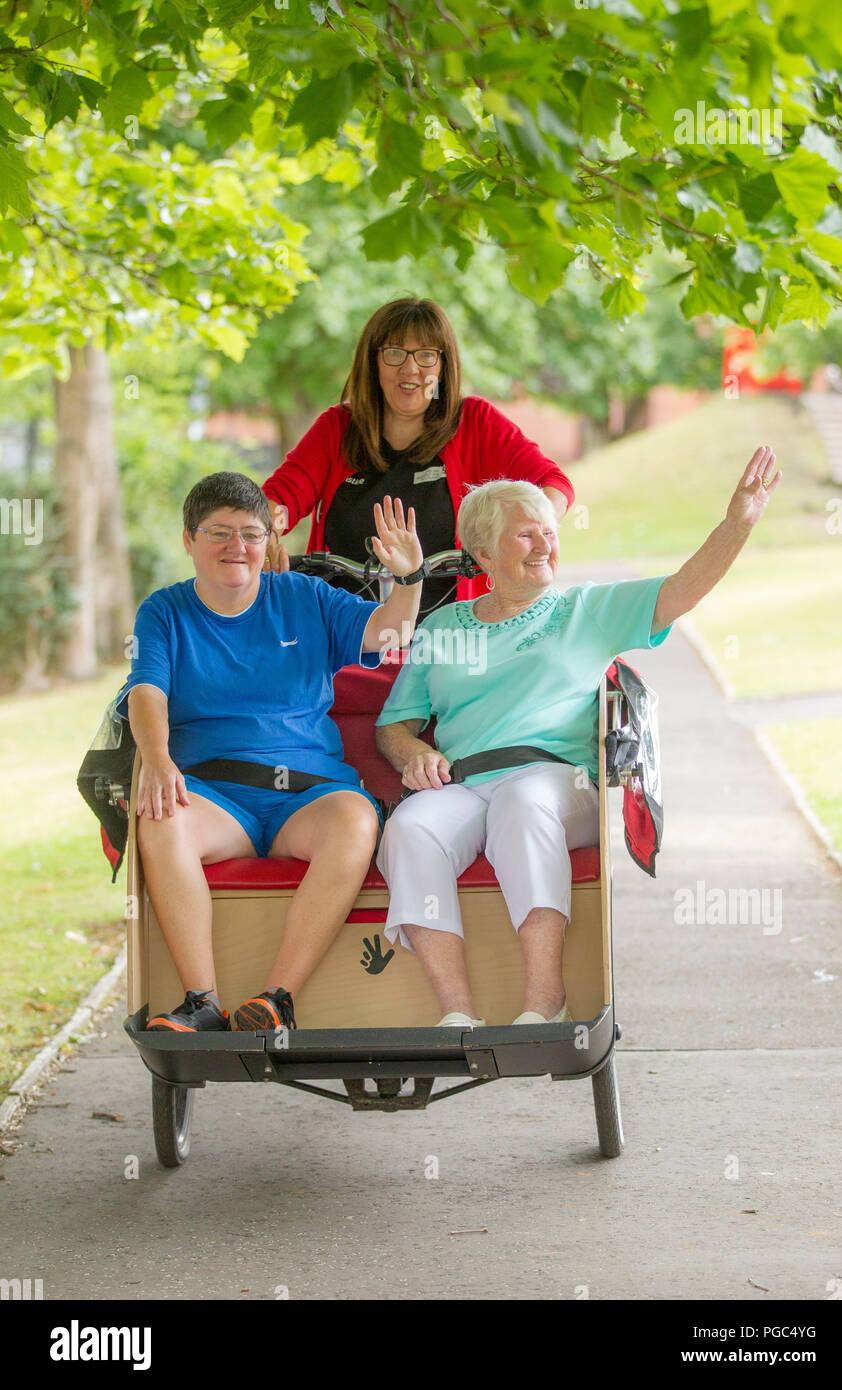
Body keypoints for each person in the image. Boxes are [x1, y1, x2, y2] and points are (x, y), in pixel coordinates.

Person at [375, 448, 781, 1027]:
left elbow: (682, 589)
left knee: (522, 802)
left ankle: (544, 1004)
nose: (544, 544)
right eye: (524, 535)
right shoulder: (443, 627)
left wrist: (736, 523)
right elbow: (395, 723)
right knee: (410, 827)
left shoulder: (583, 609)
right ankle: (456, 1015)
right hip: (465, 785)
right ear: (483, 551)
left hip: (560, 782)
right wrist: (415, 753)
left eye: (549, 531)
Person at [119, 471, 424, 1034]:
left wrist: (407, 578)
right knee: (160, 819)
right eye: (219, 532)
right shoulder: (163, 612)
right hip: (214, 795)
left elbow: (390, 633)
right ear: (189, 539)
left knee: (357, 821)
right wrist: (158, 760)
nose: (237, 546)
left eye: (252, 533)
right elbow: (147, 691)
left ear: (269, 542)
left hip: (307, 795)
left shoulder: (303, 597)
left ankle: (275, 999)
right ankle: (202, 1002)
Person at [261, 296, 576, 616]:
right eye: (394, 353)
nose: (410, 368)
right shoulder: (337, 428)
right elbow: (280, 499)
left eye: (426, 355)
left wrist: (532, 530)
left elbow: (553, 484)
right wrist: (265, 532)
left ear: (442, 365)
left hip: (450, 639)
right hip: (346, 636)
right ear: (373, 362)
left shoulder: (475, 423)